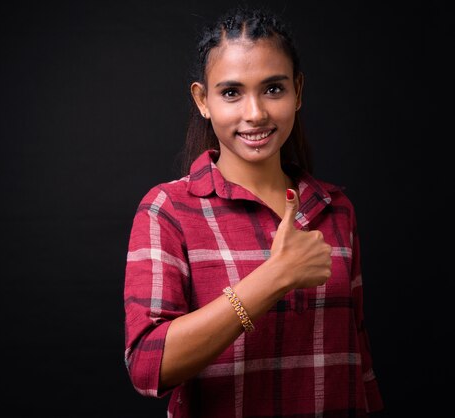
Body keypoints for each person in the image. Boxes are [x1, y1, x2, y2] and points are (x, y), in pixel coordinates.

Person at [123, 4, 384, 417]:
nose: (256, 113)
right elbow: (148, 366)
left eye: (273, 89)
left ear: (298, 90)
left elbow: (357, 356)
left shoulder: (336, 210)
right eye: (231, 92)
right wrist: (274, 278)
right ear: (202, 100)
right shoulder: (169, 209)